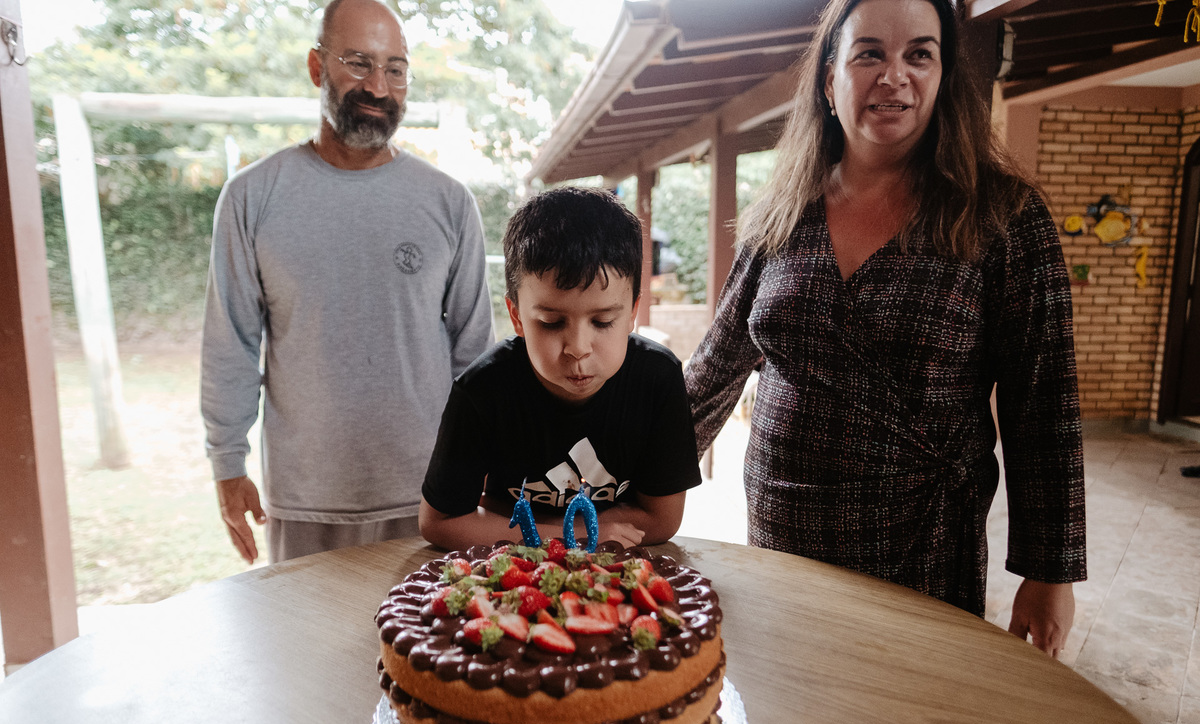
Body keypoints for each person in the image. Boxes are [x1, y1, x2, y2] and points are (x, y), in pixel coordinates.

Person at [684, 0, 1086, 657]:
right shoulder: (780, 215)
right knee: (794, 714)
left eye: (918, 55)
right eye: (869, 52)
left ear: (943, 76)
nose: (893, 75)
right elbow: (709, 375)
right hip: (784, 540)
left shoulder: (1004, 215)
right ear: (829, 79)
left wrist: (1050, 571)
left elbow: (1045, 407)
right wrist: (607, 477)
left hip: (920, 547)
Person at [201, 0, 494, 564]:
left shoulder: (448, 203)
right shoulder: (251, 198)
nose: (378, 87)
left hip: (432, 499)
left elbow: (475, 355)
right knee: (312, 652)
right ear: (317, 67)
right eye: (358, 63)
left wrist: (483, 463)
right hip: (307, 499)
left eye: (395, 68)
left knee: (424, 649)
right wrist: (227, 464)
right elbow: (231, 341)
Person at [419, 187, 702, 551]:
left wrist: (536, 532)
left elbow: (663, 518)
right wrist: (574, 538)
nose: (578, 349)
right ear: (517, 316)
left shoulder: (657, 379)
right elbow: (440, 522)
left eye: (602, 322)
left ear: (632, 312)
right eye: (551, 322)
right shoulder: (483, 390)